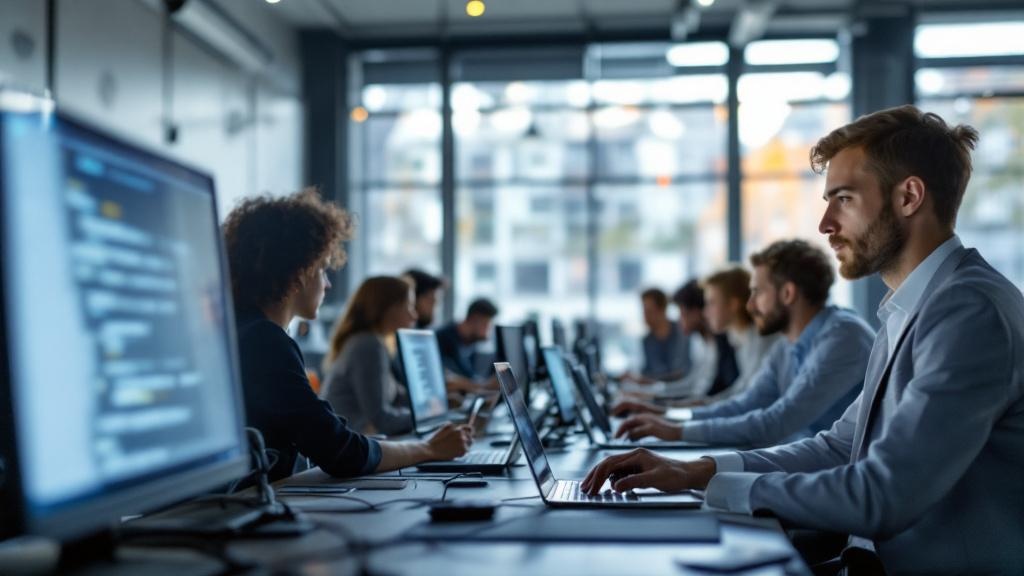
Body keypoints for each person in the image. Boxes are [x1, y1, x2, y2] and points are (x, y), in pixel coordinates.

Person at [582, 105, 1024, 574]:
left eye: (844, 199)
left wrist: (719, 487)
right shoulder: (912, 306)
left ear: (909, 197)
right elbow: (838, 447)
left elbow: (883, 495)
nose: (825, 224)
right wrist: (698, 471)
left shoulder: (967, 312)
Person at [224, 189, 471, 482]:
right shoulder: (264, 341)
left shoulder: (243, 333)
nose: (327, 284)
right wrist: (428, 449)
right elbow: (341, 452)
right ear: (300, 271)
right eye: (323, 269)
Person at [611, 240, 873, 448]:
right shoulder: (787, 344)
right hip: (801, 463)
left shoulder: (842, 337)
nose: (749, 305)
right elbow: (743, 404)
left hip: (843, 483)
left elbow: (777, 421)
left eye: (757, 292)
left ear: (787, 293)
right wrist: (668, 420)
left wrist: (674, 429)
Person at [320, 276, 418, 436]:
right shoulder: (368, 345)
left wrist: (440, 404)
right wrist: (425, 418)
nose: (414, 315)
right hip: (350, 444)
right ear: (389, 307)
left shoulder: (372, 342)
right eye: (409, 306)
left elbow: (399, 396)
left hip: (358, 439)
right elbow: (381, 419)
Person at [701, 267, 780, 400]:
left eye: (712, 303)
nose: (705, 312)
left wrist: (699, 408)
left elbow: (748, 393)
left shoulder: (760, 339)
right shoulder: (735, 337)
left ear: (733, 304)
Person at [621, 288, 690, 384]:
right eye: (644, 311)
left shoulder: (683, 332)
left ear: (663, 310)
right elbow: (647, 372)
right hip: (659, 393)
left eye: (649, 311)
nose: (645, 317)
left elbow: (680, 374)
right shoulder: (647, 341)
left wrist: (642, 379)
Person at [435, 298, 499, 386]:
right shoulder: (444, 339)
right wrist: (483, 385)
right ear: (476, 320)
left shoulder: (470, 342)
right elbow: (446, 377)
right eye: (486, 325)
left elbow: (469, 375)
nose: (488, 332)